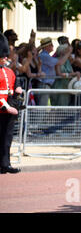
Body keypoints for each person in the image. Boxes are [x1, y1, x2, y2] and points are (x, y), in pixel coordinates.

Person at [0, 33, 22, 174]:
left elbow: (14, 86)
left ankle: (5, 164)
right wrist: (7, 107)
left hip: (8, 110)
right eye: (3, 56)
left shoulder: (9, 71)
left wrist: (18, 91)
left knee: (7, 139)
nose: (6, 59)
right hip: (2, 108)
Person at [38, 37, 72, 106]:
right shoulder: (44, 55)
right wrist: (68, 53)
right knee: (41, 108)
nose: (53, 46)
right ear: (47, 47)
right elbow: (60, 62)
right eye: (51, 45)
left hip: (47, 85)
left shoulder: (46, 55)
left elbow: (59, 59)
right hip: (44, 84)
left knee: (43, 107)